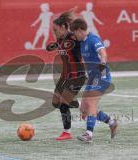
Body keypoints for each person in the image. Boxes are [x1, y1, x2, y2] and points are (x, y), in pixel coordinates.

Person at [70, 18, 118, 142]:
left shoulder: (93, 39)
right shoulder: (82, 41)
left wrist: (102, 63)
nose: (75, 36)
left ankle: (89, 134)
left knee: (91, 103)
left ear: (80, 30)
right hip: (92, 78)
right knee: (84, 108)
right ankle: (111, 121)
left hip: (101, 77)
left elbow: (103, 53)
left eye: (75, 33)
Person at [46, 11, 86, 140]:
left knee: (63, 103)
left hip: (77, 76)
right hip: (65, 76)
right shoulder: (60, 40)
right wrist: (52, 45)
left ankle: (66, 132)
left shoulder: (73, 38)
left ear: (63, 27)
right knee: (55, 102)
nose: (54, 32)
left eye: (55, 30)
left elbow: (84, 41)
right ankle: (81, 105)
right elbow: (51, 47)